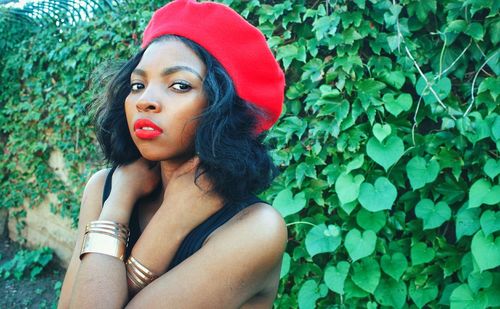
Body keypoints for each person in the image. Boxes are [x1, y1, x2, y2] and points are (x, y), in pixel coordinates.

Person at [57, 0, 287, 308]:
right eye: (137, 84)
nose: (145, 100)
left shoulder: (256, 228)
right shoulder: (104, 188)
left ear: (224, 107)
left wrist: (171, 223)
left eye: (179, 85)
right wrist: (119, 201)